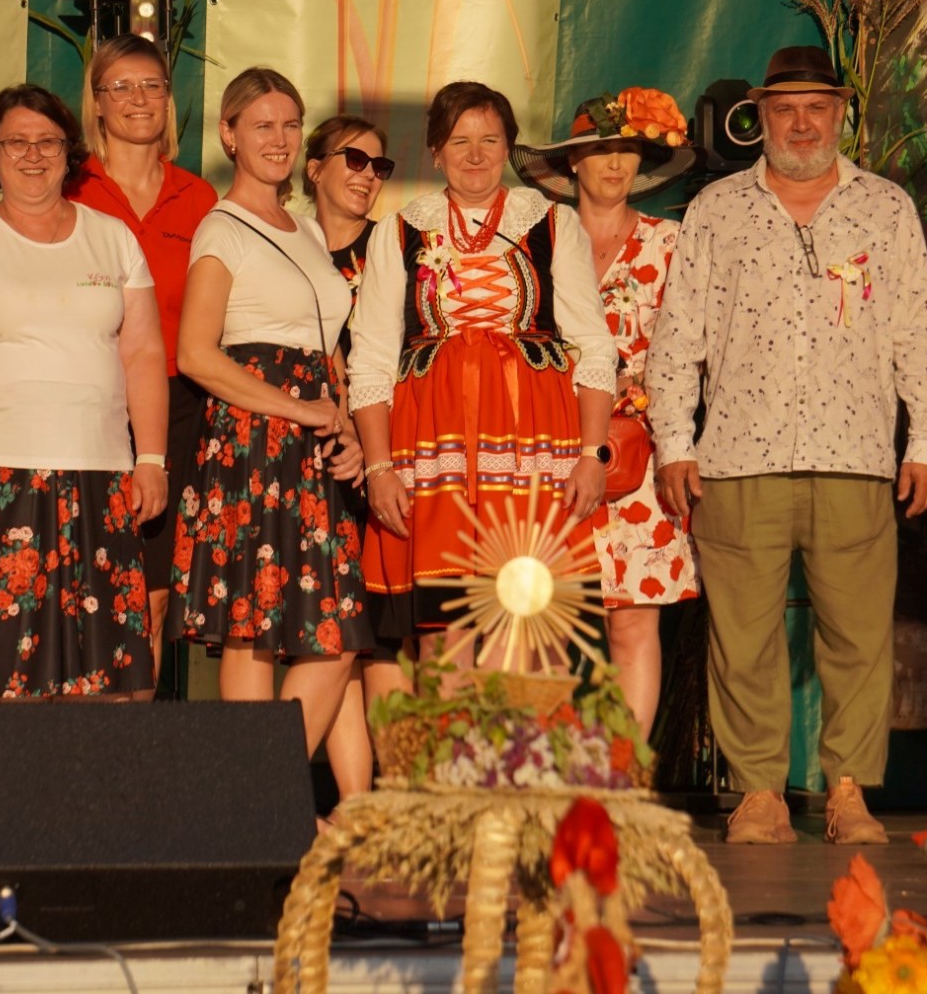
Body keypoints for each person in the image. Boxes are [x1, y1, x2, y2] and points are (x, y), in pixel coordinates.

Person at [645, 45, 927, 845]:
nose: (802, 122)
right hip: (738, 454)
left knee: (858, 635)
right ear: (761, 116)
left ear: (841, 112)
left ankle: (847, 792)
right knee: (742, 635)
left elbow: (913, 334)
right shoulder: (718, 209)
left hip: (854, 452)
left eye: (817, 106)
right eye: (786, 108)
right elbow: (678, 337)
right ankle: (759, 792)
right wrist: (675, 441)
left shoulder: (884, 208)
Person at [348, 81, 616, 662]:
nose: (475, 154)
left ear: (508, 148)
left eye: (489, 140)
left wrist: (592, 455)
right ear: (435, 152)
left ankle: (515, 728)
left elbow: (594, 347)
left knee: (525, 629)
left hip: (534, 446)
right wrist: (378, 467)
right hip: (434, 448)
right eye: (459, 141)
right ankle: (450, 728)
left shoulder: (551, 222)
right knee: (444, 632)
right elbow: (370, 359)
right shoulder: (401, 229)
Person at [0, 84, 165, 700]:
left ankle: (90, 771)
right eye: (16, 143)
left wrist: (152, 459)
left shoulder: (114, 238)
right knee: (1, 679)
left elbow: (143, 353)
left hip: (101, 479)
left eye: (48, 142)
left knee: (104, 681)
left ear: (69, 152)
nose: (33, 155)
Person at [169, 67, 371, 764]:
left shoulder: (308, 229)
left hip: (315, 441)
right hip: (254, 438)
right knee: (251, 625)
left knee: (334, 634)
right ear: (229, 135)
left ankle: (260, 791)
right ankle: (263, 798)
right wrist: (297, 408)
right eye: (262, 125)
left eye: (290, 124)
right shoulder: (220, 230)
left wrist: (344, 426)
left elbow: (326, 345)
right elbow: (196, 353)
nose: (279, 138)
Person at [511, 86, 701, 739]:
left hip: (638, 458)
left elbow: (694, 348)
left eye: (626, 150)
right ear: (573, 162)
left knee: (633, 620)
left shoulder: (670, 242)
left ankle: (625, 770)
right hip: (546, 451)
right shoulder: (535, 243)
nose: (615, 164)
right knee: (538, 616)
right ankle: (538, 769)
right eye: (599, 151)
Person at [67, 34, 217, 690]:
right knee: (83, 586)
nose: (138, 99)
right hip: (86, 404)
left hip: (176, 407)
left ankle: (133, 741)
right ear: (96, 104)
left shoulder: (200, 198)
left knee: (151, 595)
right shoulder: (69, 189)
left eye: (152, 85)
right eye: (121, 86)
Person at [302, 112, 403, 799]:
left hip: (380, 455)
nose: (368, 175)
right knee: (332, 637)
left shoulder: (392, 247)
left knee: (380, 637)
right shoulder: (286, 240)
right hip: (309, 454)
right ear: (314, 169)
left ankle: (394, 800)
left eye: (380, 166)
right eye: (354, 159)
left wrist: (375, 449)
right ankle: (355, 804)